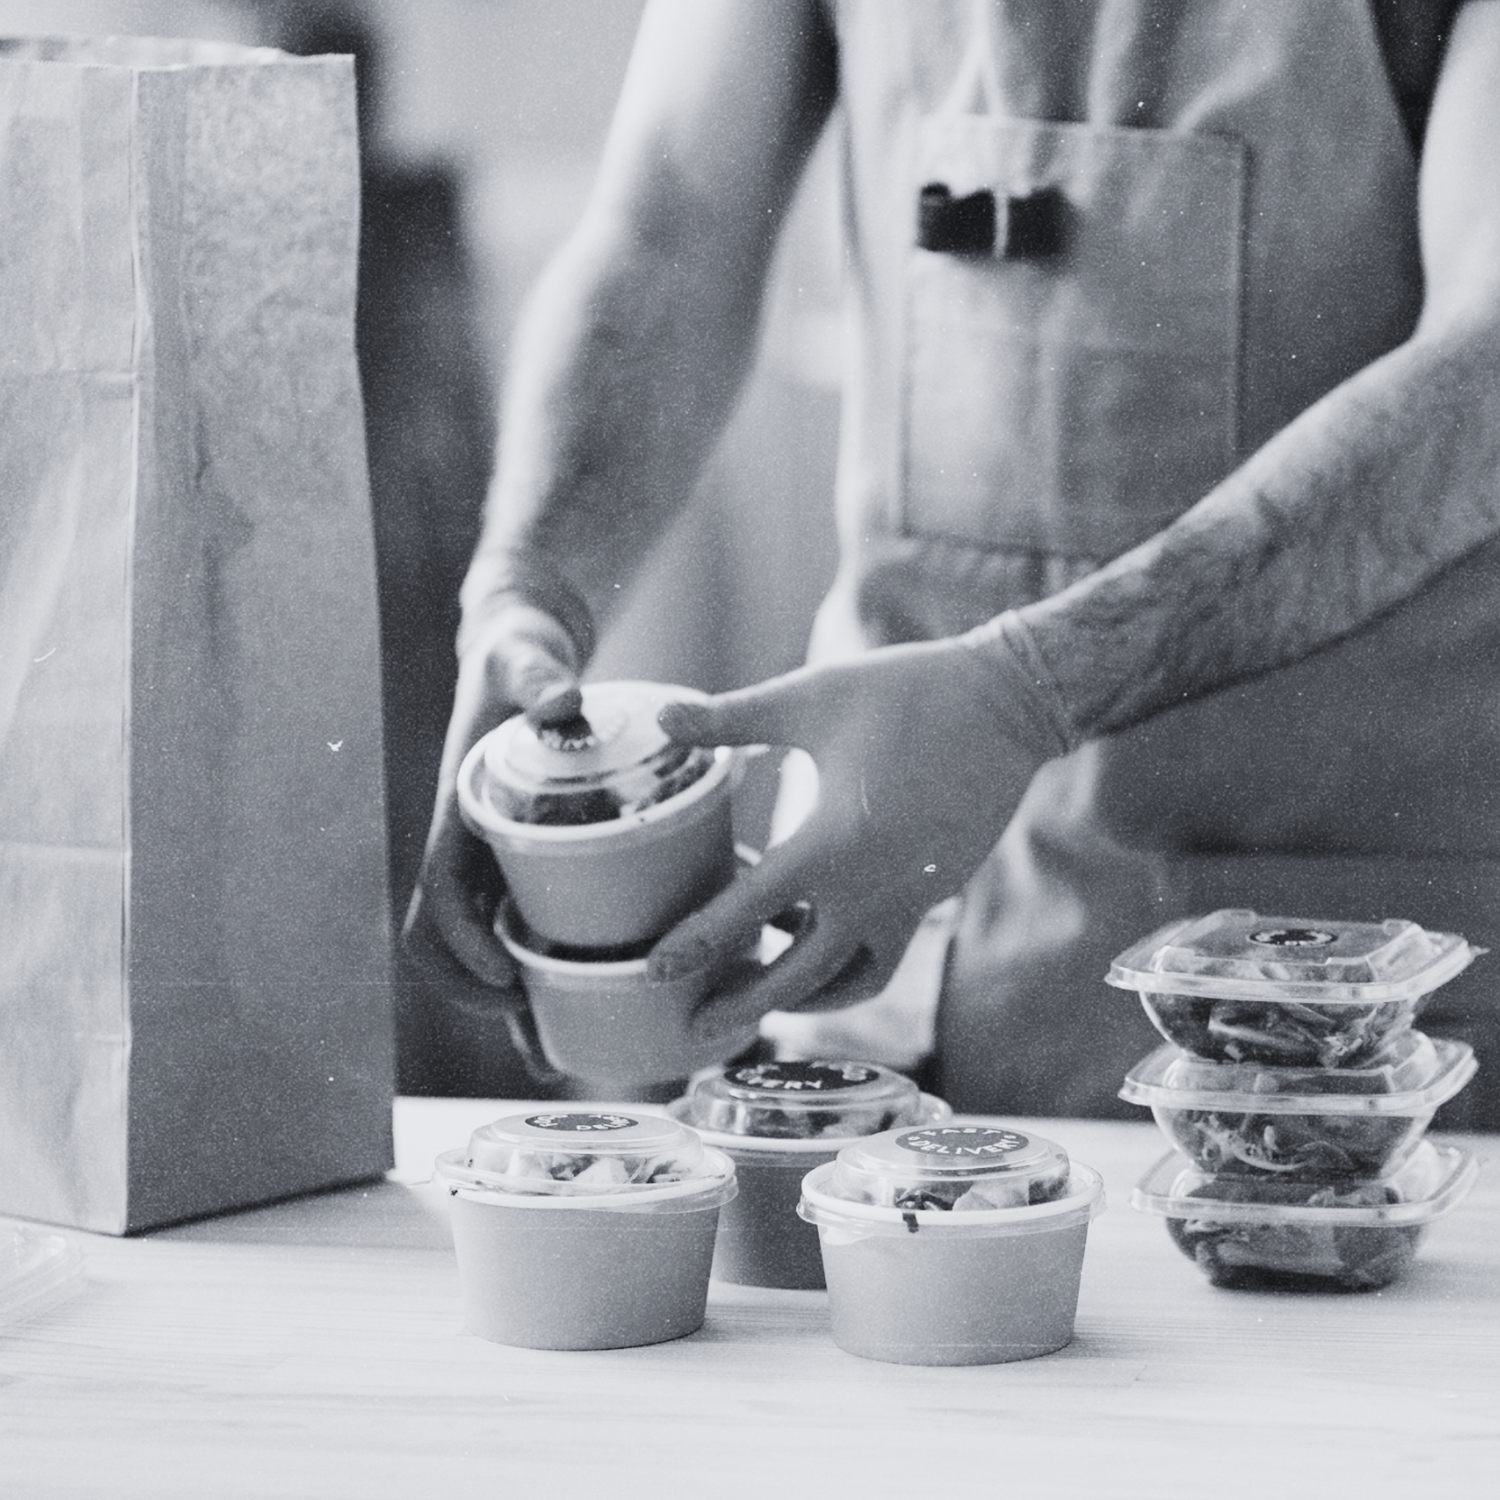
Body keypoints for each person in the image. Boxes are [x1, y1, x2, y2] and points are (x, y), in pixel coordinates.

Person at [405, 0, 1500, 1125]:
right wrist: (528, 586)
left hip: (1330, 1011)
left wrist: (1027, 692)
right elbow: (669, 223)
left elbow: (1488, 373)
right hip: (889, 974)